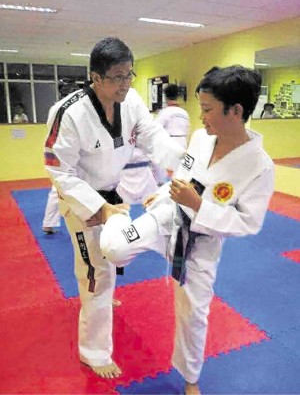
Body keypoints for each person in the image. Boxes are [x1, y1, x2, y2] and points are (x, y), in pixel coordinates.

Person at [100, 65, 275, 394]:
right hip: (169, 216)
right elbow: (184, 175)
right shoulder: (200, 138)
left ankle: (190, 378)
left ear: (235, 111)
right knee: (115, 249)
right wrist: (167, 191)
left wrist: (198, 205)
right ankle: (117, 214)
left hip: (203, 241)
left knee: (194, 313)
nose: (201, 117)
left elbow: (247, 222)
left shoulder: (259, 166)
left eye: (207, 110)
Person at [44, 37, 185, 379]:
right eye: (118, 77)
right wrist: (100, 208)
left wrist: (184, 167)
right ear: (96, 77)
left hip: (113, 189)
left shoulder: (131, 100)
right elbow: (59, 170)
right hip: (81, 196)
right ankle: (94, 352)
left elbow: (153, 137)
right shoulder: (68, 113)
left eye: (129, 75)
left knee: (115, 253)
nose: (126, 84)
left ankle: (106, 293)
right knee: (94, 273)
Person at [42, 79, 80, 234]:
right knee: (66, 186)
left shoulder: (55, 108)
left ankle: (49, 223)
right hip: (68, 151)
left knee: (59, 187)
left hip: (57, 150)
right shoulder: (73, 107)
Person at [152, 84, 190, 185]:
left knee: (165, 174)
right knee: (179, 172)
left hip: (169, 145)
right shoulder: (184, 113)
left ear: (166, 97)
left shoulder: (165, 112)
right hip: (182, 143)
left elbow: (155, 129)